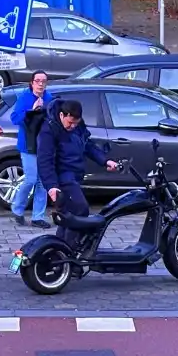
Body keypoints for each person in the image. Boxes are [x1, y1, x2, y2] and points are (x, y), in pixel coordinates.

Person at [36, 99, 119, 246]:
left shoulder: (78, 126)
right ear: (62, 115)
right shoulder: (49, 130)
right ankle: (70, 248)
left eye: (76, 123)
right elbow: (44, 161)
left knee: (68, 216)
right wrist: (51, 187)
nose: (72, 126)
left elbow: (88, 145)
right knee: (80, 209)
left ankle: (59, 251)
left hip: (75, 176)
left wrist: (105, 161)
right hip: (62, 178)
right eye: (70, 123)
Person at [9, 70, 54, 228]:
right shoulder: (25, 97)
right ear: (32, 82)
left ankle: (38, 217)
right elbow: (15, 118)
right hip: (28, 146)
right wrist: (31, 111)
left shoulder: (49, 98)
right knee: (31, 179)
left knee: (42, 182)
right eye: (38, 81)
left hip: (44, 146)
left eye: (43, 81)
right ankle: (17, 209)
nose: (41, 84)